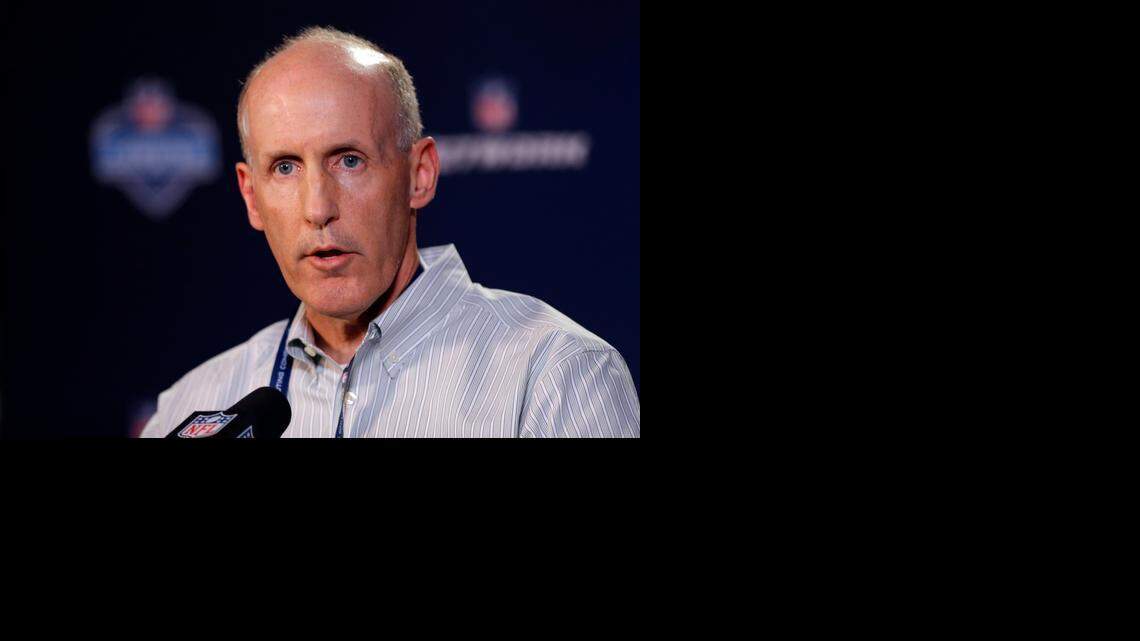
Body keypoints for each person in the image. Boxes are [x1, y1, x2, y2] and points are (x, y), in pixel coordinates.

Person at [140, 26, 639, 438]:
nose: (318, 209)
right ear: (251, 196)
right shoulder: (192, 404)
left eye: (349, 160)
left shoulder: (557, 377)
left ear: (419, 175)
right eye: (286, 168)